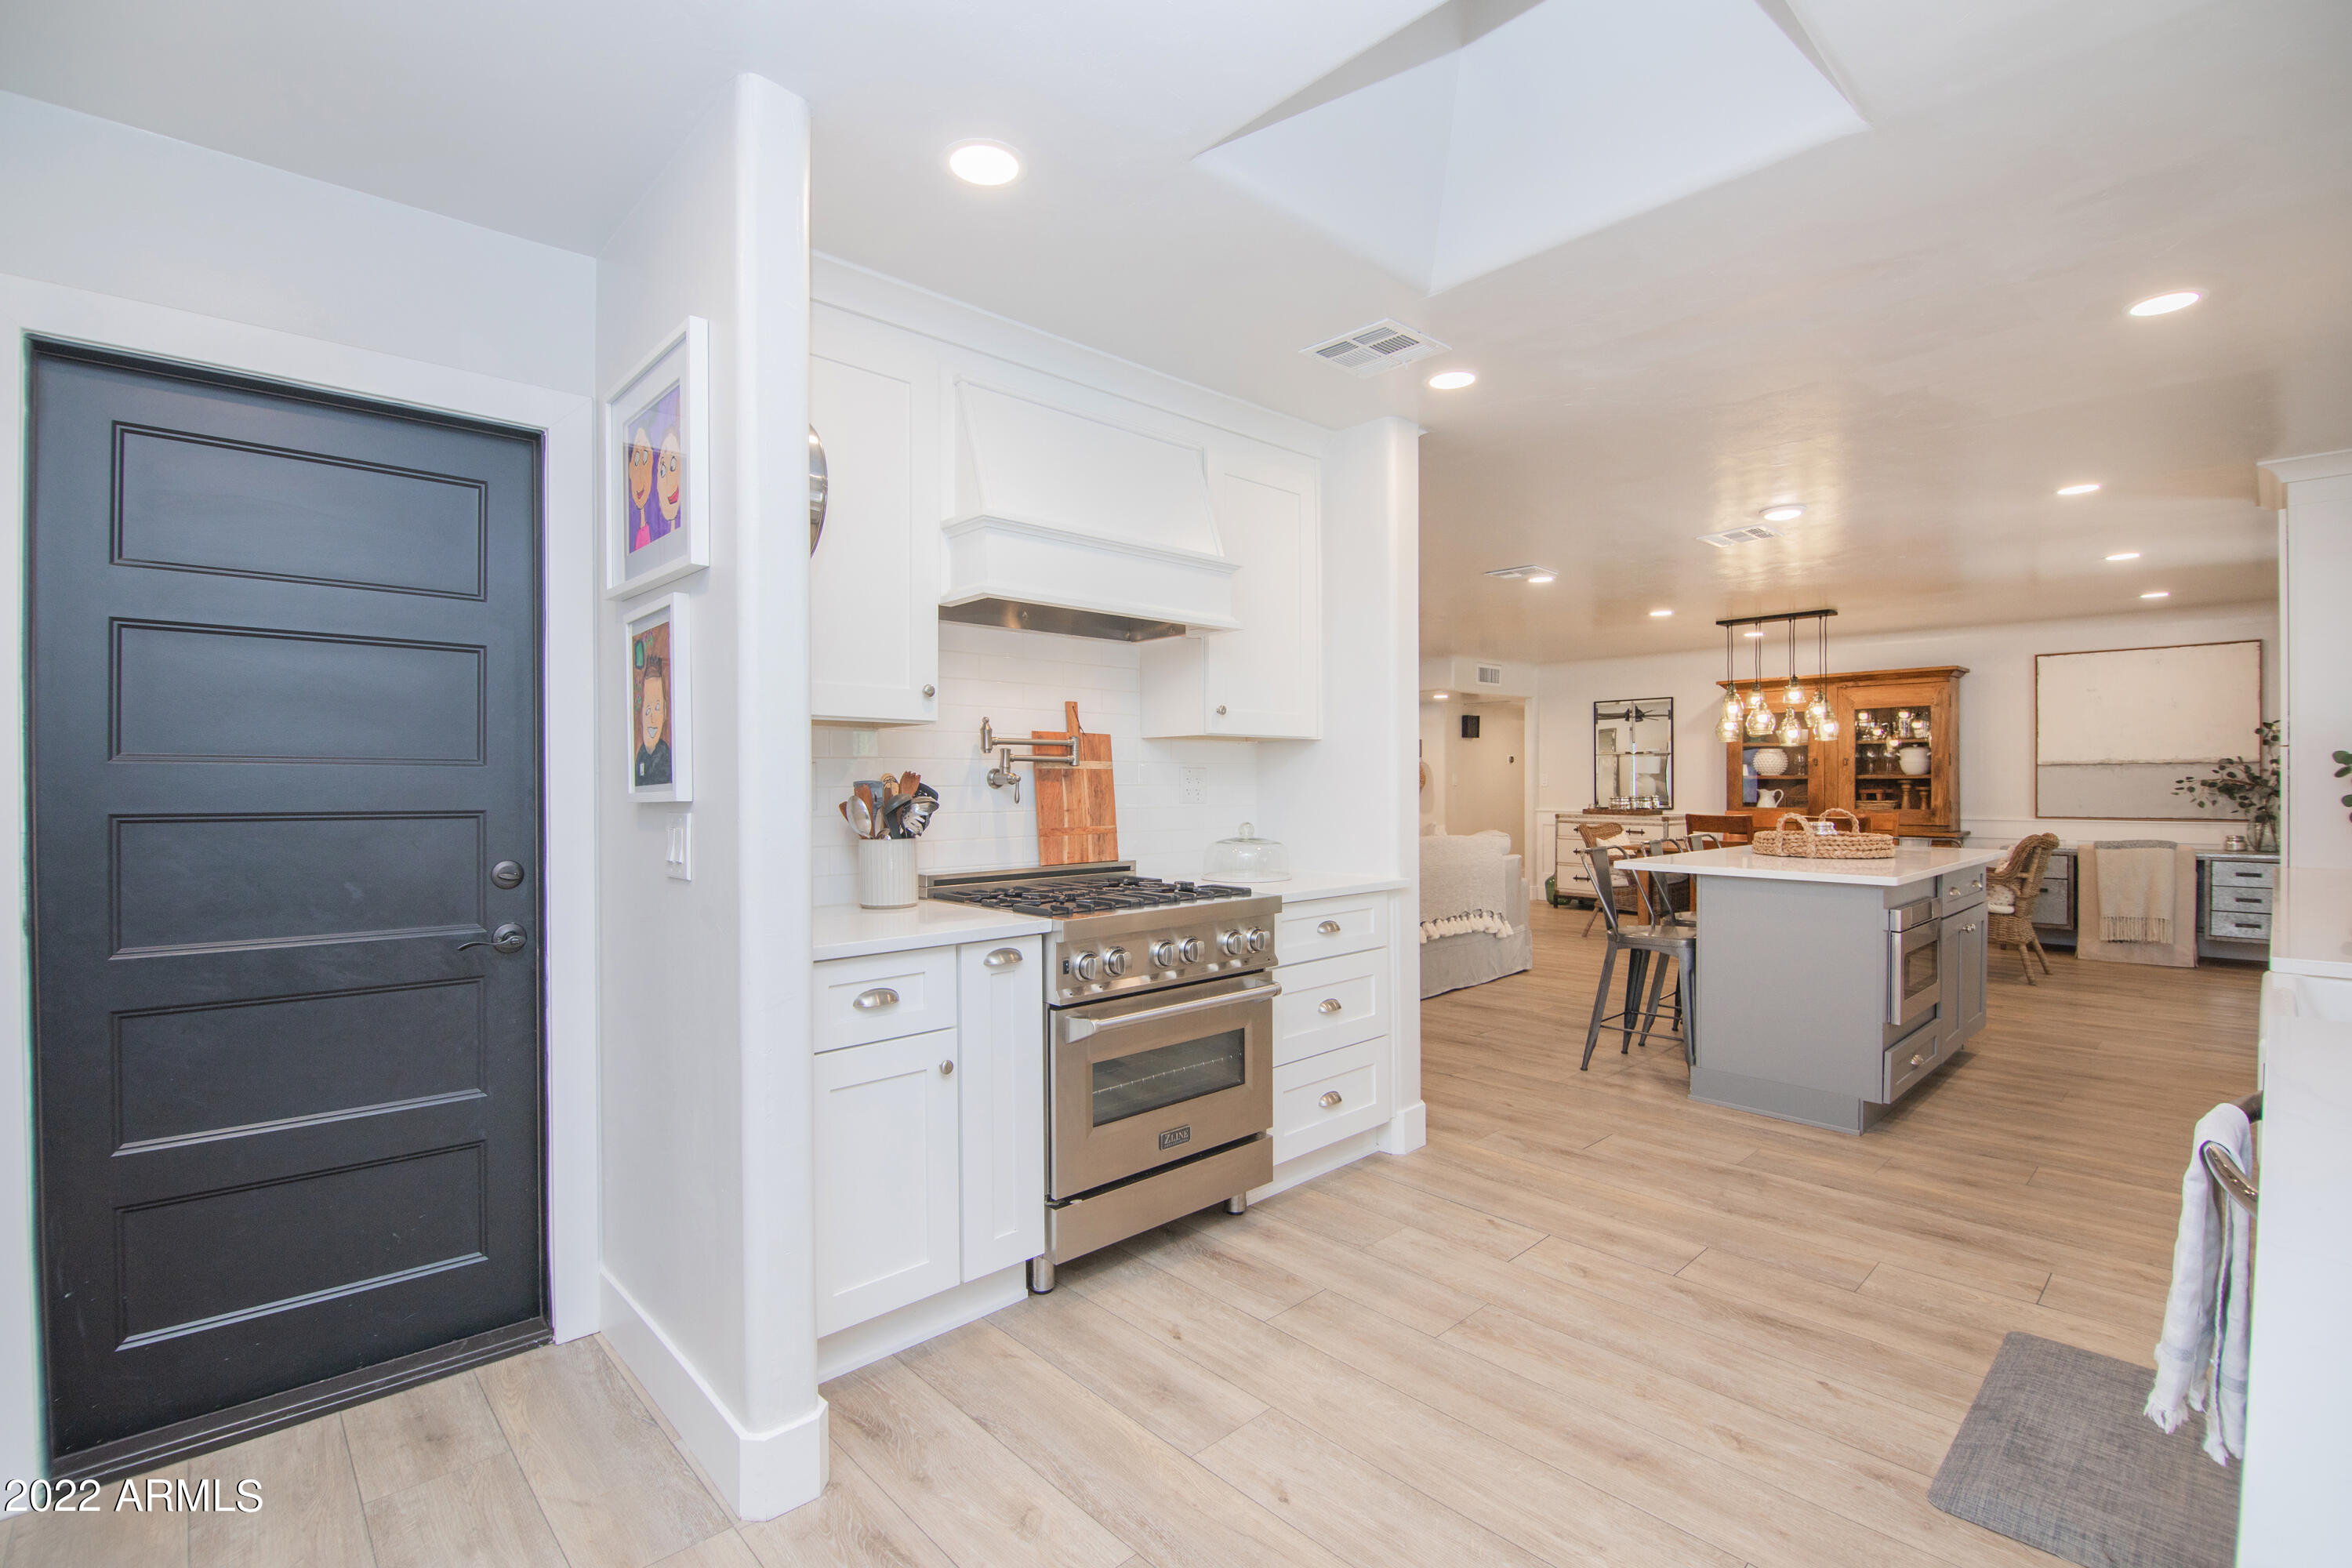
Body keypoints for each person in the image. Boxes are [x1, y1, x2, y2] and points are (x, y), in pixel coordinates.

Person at [634, 654, 672, 787]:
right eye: (648, 710)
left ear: (665, 712)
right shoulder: (641, 755)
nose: (652, 718)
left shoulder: (665, 757)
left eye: (657, 708)